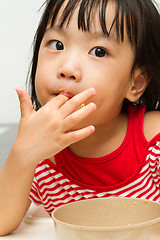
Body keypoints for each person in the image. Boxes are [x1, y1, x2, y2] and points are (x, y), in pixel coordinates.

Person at [0, 0, 160, 236]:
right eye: (57, 44)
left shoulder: (153, 140)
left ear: (135, 84)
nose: (68, 68)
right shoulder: (41, 154)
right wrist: (23, 155)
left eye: (99, 51)